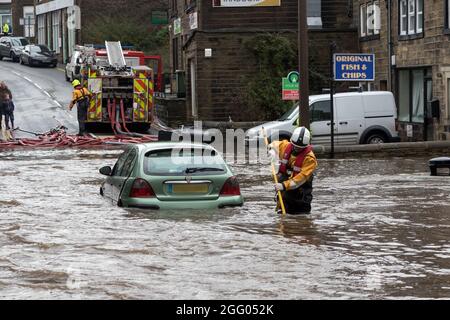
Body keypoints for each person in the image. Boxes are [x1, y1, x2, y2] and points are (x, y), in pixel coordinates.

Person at [269, 127, 318, 214]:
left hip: (301, 196)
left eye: (300, 147)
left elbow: (299, 180)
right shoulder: (286, 146)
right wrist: (272, 151)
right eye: (295, 146)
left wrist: (283, 186)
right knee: (283, 219)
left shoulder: (310, 159)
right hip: (284, 194)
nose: (296, 148)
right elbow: (273, 145)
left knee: (301, 219)